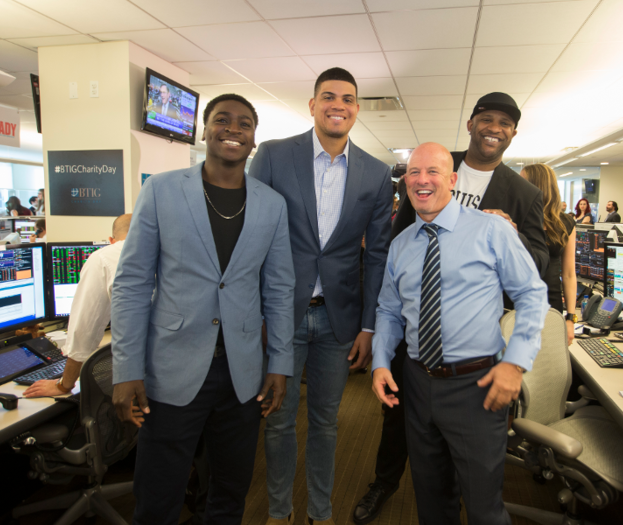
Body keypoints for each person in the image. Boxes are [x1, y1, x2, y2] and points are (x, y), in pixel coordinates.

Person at [353, 92, 548, 525]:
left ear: (453, 179)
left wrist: (515, 364)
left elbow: (534, 294)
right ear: (406, 183)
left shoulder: (493, 231)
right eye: (414, 172)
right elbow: (388, 310)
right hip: (417, 385)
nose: (423, 180)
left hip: (476, 386)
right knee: (432, 501)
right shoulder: (401, 245)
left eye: (434, 172)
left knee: (483, 508)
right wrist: (382, 362)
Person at [111, 94, 295, 525]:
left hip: (242, 374)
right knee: (158, 497)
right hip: (171, 368)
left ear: (254, 139)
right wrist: (126, 369)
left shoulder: (272, 204)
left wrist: (280, 364)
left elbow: (280, 289)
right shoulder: (161, 189)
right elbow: (132, 283)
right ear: (204, 130)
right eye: (222, 120)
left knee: (230, 494)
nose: (233, 129)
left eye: (244, 123)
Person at [249, 67, 392, 525]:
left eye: (348, 98)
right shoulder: (272, 156)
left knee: (328, 423)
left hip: (338, 320)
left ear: (356, 109)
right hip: (280, 316)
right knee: (278, 421)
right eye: (328, 96)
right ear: (312, 105)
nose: (338, 105)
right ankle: (277, 512)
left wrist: (369, 326)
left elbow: (378, 257)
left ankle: (320, 512)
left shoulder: (375, 172)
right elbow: (251, 239)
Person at [24, 214, 132, 398]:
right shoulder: (171, 255)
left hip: (138, 380)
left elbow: (84, 331)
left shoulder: (104, 257)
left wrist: (64, 385)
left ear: (111, 241)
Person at [521, 164, 577, 344]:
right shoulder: (517, 217)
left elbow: (568, 274)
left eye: (523, 182)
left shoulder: (565, 222)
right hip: (517, 303)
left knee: (548, 366)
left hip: (551, 305)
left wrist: (570, 317)